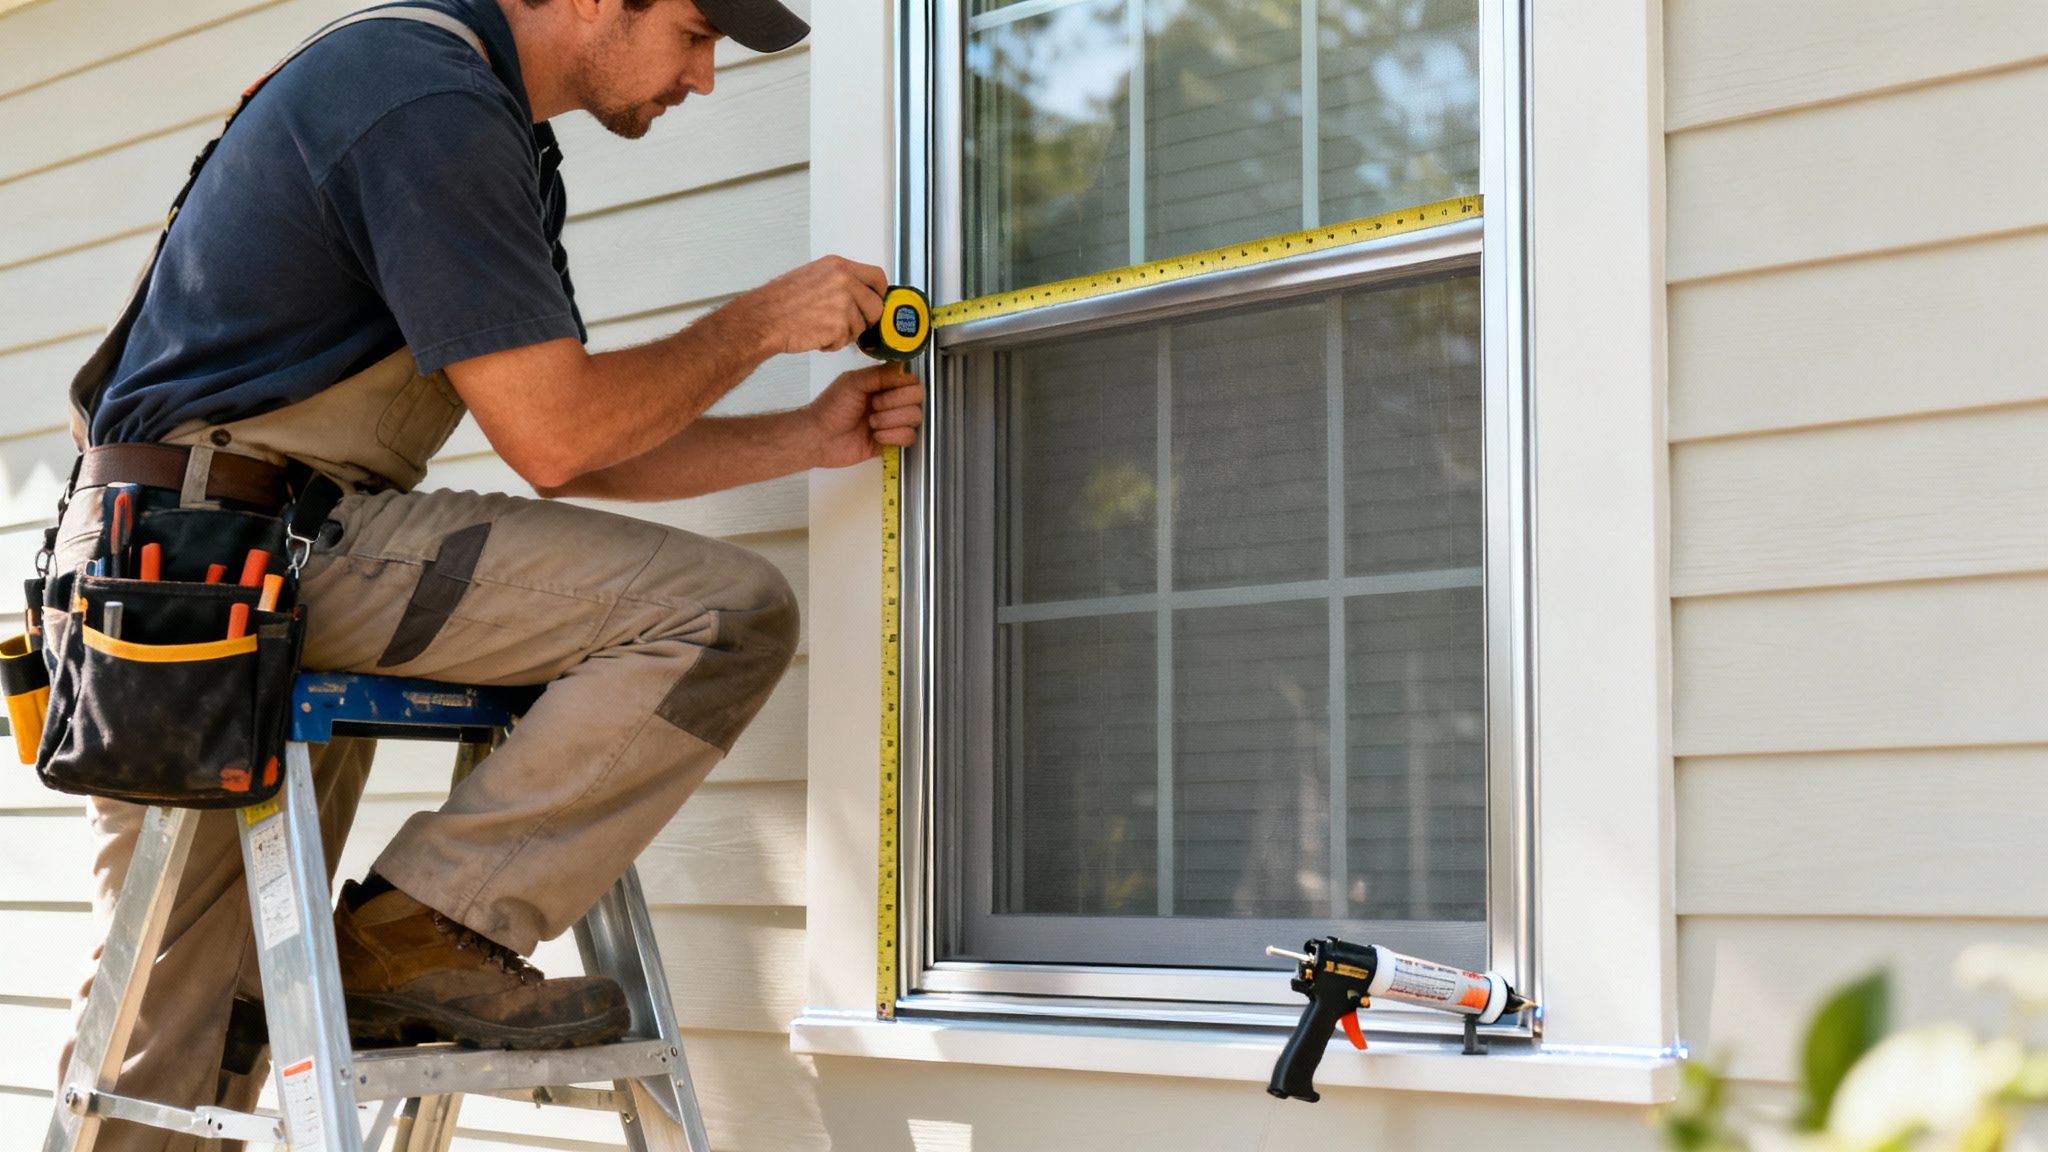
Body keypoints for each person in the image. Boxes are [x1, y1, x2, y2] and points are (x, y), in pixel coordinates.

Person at [49, 0, 922, 1146]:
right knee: (718, 610)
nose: (702, 80)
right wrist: (759, 322)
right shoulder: (424, 98)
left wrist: (803, 440)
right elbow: (559, 436)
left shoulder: (479, 122)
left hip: (251, 548)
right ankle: (409, 937)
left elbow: (568, 437)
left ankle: (405, 937)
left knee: (200, 1025)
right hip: (217, 549)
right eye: (696, 33)